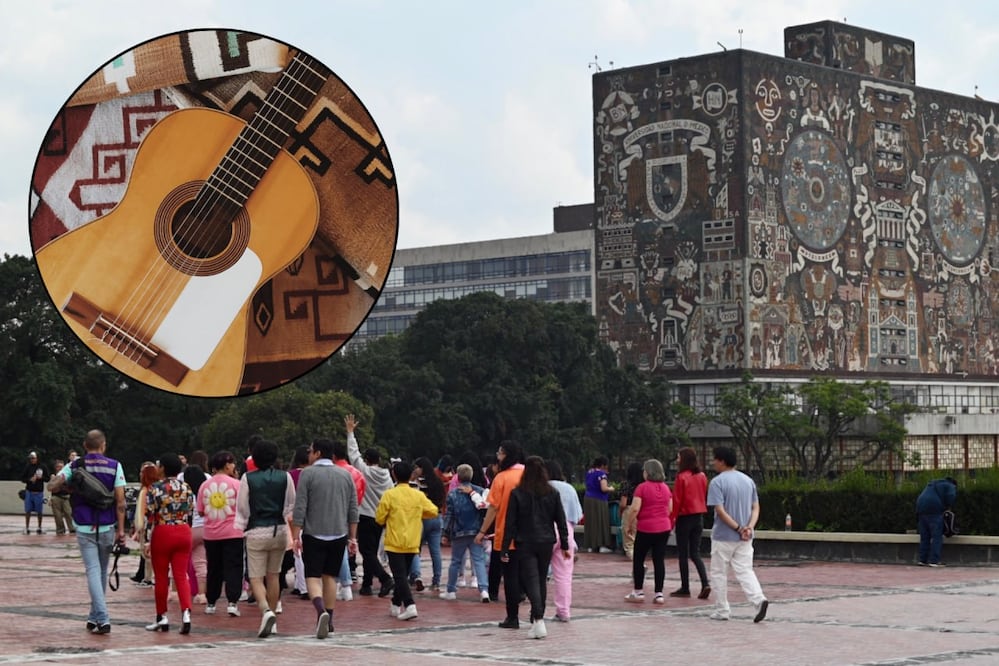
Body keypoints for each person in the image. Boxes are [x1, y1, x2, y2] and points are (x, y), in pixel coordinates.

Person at [46, 429, 126, 634]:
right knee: (100, 571)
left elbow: (52, 486)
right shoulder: (115, 466)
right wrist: (122, 530)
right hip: (107, 525)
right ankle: (96, 616)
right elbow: (121, 501)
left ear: (84, 445)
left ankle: (101, 617)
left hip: (83, 524)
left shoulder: (75, 465)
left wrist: (70, 485)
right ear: (103, 445)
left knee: (93, 570)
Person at [290, 438, 359, 639]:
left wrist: (295, 536)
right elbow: (353, 509)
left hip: (314, 534)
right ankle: (329, 618)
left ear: (318, 453)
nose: (309, 454)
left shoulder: (308, 474)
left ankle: (320, 611)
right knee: (330, 576)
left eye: (311, 451)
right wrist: (353, 538)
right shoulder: (345, 475)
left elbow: (300, 507)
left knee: (312, 576)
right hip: (339, 533)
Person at [500, 456, 570, 640]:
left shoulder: (517, 493)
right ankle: (537, 618)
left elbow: (510, 524)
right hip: (546, 541)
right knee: (540, 579)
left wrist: (505, 546)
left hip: (525, 541)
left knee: (530, 579)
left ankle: (538, 619)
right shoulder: (552, 493)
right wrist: (564, 544)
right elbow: (560, 520)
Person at [235, 438, 296, 638]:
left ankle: (265, 610)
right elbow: (290, 505)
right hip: (278, 530)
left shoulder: (248, 478)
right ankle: (273, 618)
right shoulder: (285, 477)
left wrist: (242, 524)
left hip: (255, 530)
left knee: (255, 577)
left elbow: (243, 507)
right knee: (274, 575)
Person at [706, 446, 768, 622]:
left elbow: (720, 510)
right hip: (746, 537)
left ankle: (722, 609)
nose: (713, 463)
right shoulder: (748, 481)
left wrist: (738, 528)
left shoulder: (717, 482)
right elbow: (755, 507)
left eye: (715, 459)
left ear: (722, 461)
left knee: (719, 572)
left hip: (724, 536)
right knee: (745, 570)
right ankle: (758, 599)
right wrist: (748, 527)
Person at [375, 460, 439, 621]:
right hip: (412, 541)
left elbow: (379, 518)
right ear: (410, 475)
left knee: (399, 576)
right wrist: (418, 514)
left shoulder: (389, 494)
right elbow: (433, 511)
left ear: (394, 475)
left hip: (394, 542)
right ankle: (396, 604)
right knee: (402, 575)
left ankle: (410, 605)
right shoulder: (418, 495)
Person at [140, 453, 195, 634]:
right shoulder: (187, 487)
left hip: (163, 531)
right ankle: (186, 613)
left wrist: (147, 540)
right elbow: (191, 511)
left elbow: (150, 516)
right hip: (183, 529)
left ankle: (162, 617)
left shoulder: (155, 489)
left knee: (162, 577)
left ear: (162, 468)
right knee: (181, 575)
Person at [345, 414, 395, 598]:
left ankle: (384, 578)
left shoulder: (364, 471)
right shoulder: (387, 476)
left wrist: (350, 433)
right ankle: (367, 584)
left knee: (366, 552)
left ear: (366, 460)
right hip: (380, 517)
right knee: (371, 552)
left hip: (365, 516)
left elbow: (353, 453)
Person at [475, 440, 525, 624]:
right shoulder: (530, 475)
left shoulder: (502, 478)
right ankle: (538, 617)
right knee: (531, 575)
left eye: (500, 453)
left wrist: (482, 531)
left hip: (507, 536)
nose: (498, 456)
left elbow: (493, 508)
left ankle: (513, 617)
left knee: (510, 576)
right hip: (531, 535)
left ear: (508, 455)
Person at [197, 451, 244, 617]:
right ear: (227, 464)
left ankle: (211, 602)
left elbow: (201, 511)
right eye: (232, 464)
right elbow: (244, 508)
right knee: (234, 567)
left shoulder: (204, 485)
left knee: (214, 569)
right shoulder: (237, 484)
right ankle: (232, 602)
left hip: (211, 534)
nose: (234, 467)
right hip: (233, 533)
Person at [623, 459, 673, 604]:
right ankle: (659, 593)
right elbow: (669, 508)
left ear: (648, 472)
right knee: (659, 560)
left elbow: (635, 508)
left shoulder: (642, 488)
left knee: (639, 559)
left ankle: (638, 591)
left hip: (646, 527)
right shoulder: (665, 488)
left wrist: (628, 524)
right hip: (663, 527)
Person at [440, 463, 490, 602]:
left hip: (459, 532)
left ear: (458, 477)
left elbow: (449, 515)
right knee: (478, 560)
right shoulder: (479, 491)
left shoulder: (452, 494)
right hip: (476, 531)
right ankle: (484, 590)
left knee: (455, 561)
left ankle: (451, 589)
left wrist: (445, 533)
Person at [670, 446, 711, 599]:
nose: (677, 460)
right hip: (699, 516)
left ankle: (685, 587)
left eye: (679, 457)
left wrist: (671, 521)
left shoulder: (681, 477)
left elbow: (677, 501)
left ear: (684, 459)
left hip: (684, 517)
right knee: (695, 553)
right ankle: (705, 582)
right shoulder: (701, 476)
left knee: (683, 554)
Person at [545, 459, 582, 622]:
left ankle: (537, 609)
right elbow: (578, 515)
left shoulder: (542, 488)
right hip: (567, 531)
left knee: (537, 571)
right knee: (564, 574)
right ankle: (564, 611)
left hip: (545, 529)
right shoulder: (569, 488)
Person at [331, 437, 366, 601]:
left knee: (339, 549)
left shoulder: (332, 472)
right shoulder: (357, 473)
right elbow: (359, 497)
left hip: (335, 513)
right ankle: (343, 583)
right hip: (352, 513)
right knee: (343, 547)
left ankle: (344, 585)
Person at [409, 456, 446, 592]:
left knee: (415, 549)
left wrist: (412, 478)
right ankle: (436, 580)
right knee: (435, 552)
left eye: (417, 467)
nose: (415, 470)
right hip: (437, 517)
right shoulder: (437, 481)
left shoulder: (418, 483)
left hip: (422, 518)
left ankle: (416, 576)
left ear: (422, 468)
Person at [180, 450, 209, 606]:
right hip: (206, 528)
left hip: (190, 529)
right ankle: (202, 594)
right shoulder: (206, 487)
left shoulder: (185, 491)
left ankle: (174, 591)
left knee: (179, 560)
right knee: (201, 563)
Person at [916, 476, 958, 567]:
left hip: (920, 507)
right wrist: (948, 506)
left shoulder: (932, 483)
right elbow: (951, 496)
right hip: (934, 509)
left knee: (925, 536)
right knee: (937, 536)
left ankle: (922, 560)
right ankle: (934, 561)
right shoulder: (950, 485)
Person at [129, 461, 159, 587]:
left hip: (147, 526)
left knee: (146, 553)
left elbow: (140, 511)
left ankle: (148, 578)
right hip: (157, 525)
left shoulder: (145, 491)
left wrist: (138, 527)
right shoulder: (157, 489)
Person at [583, 456, 615, 553]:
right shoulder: (601, 474)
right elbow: (604, 488)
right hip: (599, 500)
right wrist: (612, 489)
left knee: (591, 522)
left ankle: (590, 545)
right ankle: (602, 545)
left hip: (588, 499)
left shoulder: (589, 472)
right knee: (601, 521)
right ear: (603, 465)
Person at [618, 462, 645, 559]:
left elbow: (623, 503)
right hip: (642, 509)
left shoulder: (626, 484)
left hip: (629, 509)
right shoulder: (644, 485)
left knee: (628, 534)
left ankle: (631, 554)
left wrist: (620, 512)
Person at [21, 451, 49, 534]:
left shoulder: (43, 466)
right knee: (28, 510)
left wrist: (41, 478)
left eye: (33, 458)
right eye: (31, 458)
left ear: (37, 458)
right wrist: (29, 479)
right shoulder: (28, 467)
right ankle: (27, 527)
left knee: (39, 511)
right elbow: (22, 478)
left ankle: (39, 527)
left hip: (39, 492)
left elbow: (47, 478)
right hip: (29, 491)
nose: (32, 460)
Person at [49, 459, 74, 536]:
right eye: (58, 467)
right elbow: (51, 487)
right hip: (56, 497)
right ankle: (60, 530)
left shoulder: (67, 475)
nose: (60, 468)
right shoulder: (54, 476)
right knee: (58, 515)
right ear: (55, 468)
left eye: (61, 467)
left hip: (66, 496)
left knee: (69, 513)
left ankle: (72, 528)